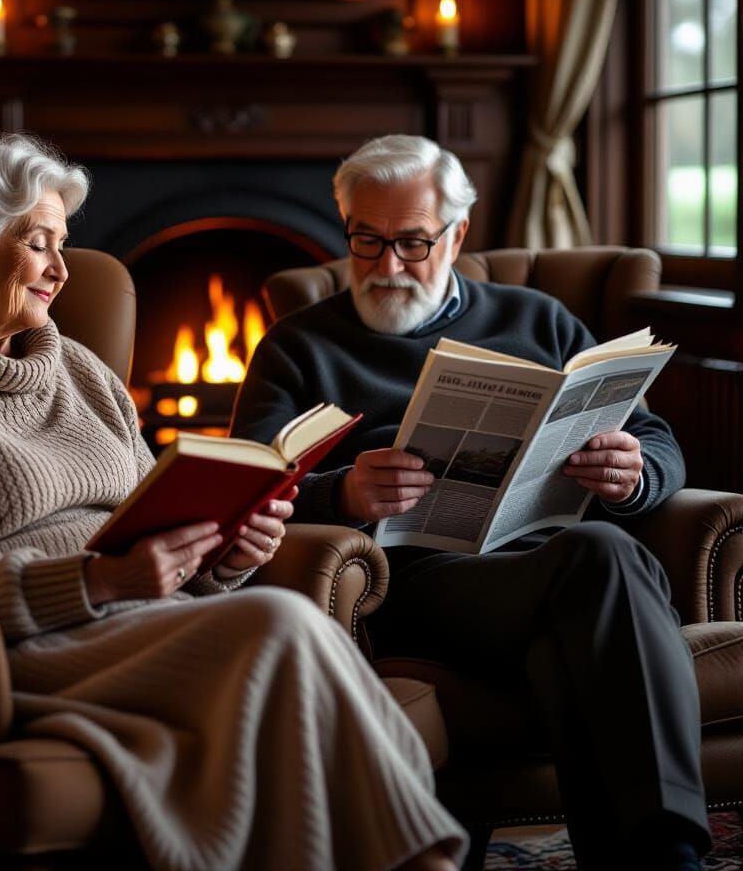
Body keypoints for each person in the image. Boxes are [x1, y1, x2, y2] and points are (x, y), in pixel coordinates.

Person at [0, 131, 466, 871]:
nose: (62, 270)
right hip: (29, 643)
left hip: (146, 616)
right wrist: (98, 581)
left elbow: (155, 524)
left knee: (283, 625)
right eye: (40, 244)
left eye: (63, 244)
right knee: (285, 624)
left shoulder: (82, 372)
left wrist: (226, 552)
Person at [230, 134, 710, 871]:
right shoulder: (298, 348)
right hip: (410, 581)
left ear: (457, 235)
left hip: (548, 566)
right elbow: (250, 493)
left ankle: (641, 859)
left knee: (569, 635)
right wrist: (344, 491)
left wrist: (635, 470)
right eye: (367, 240)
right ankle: (673, 852)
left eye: (413, 242)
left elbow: (655, 438)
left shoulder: (538, 320)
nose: (388, 265)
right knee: (607, 557)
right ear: (347, 230)